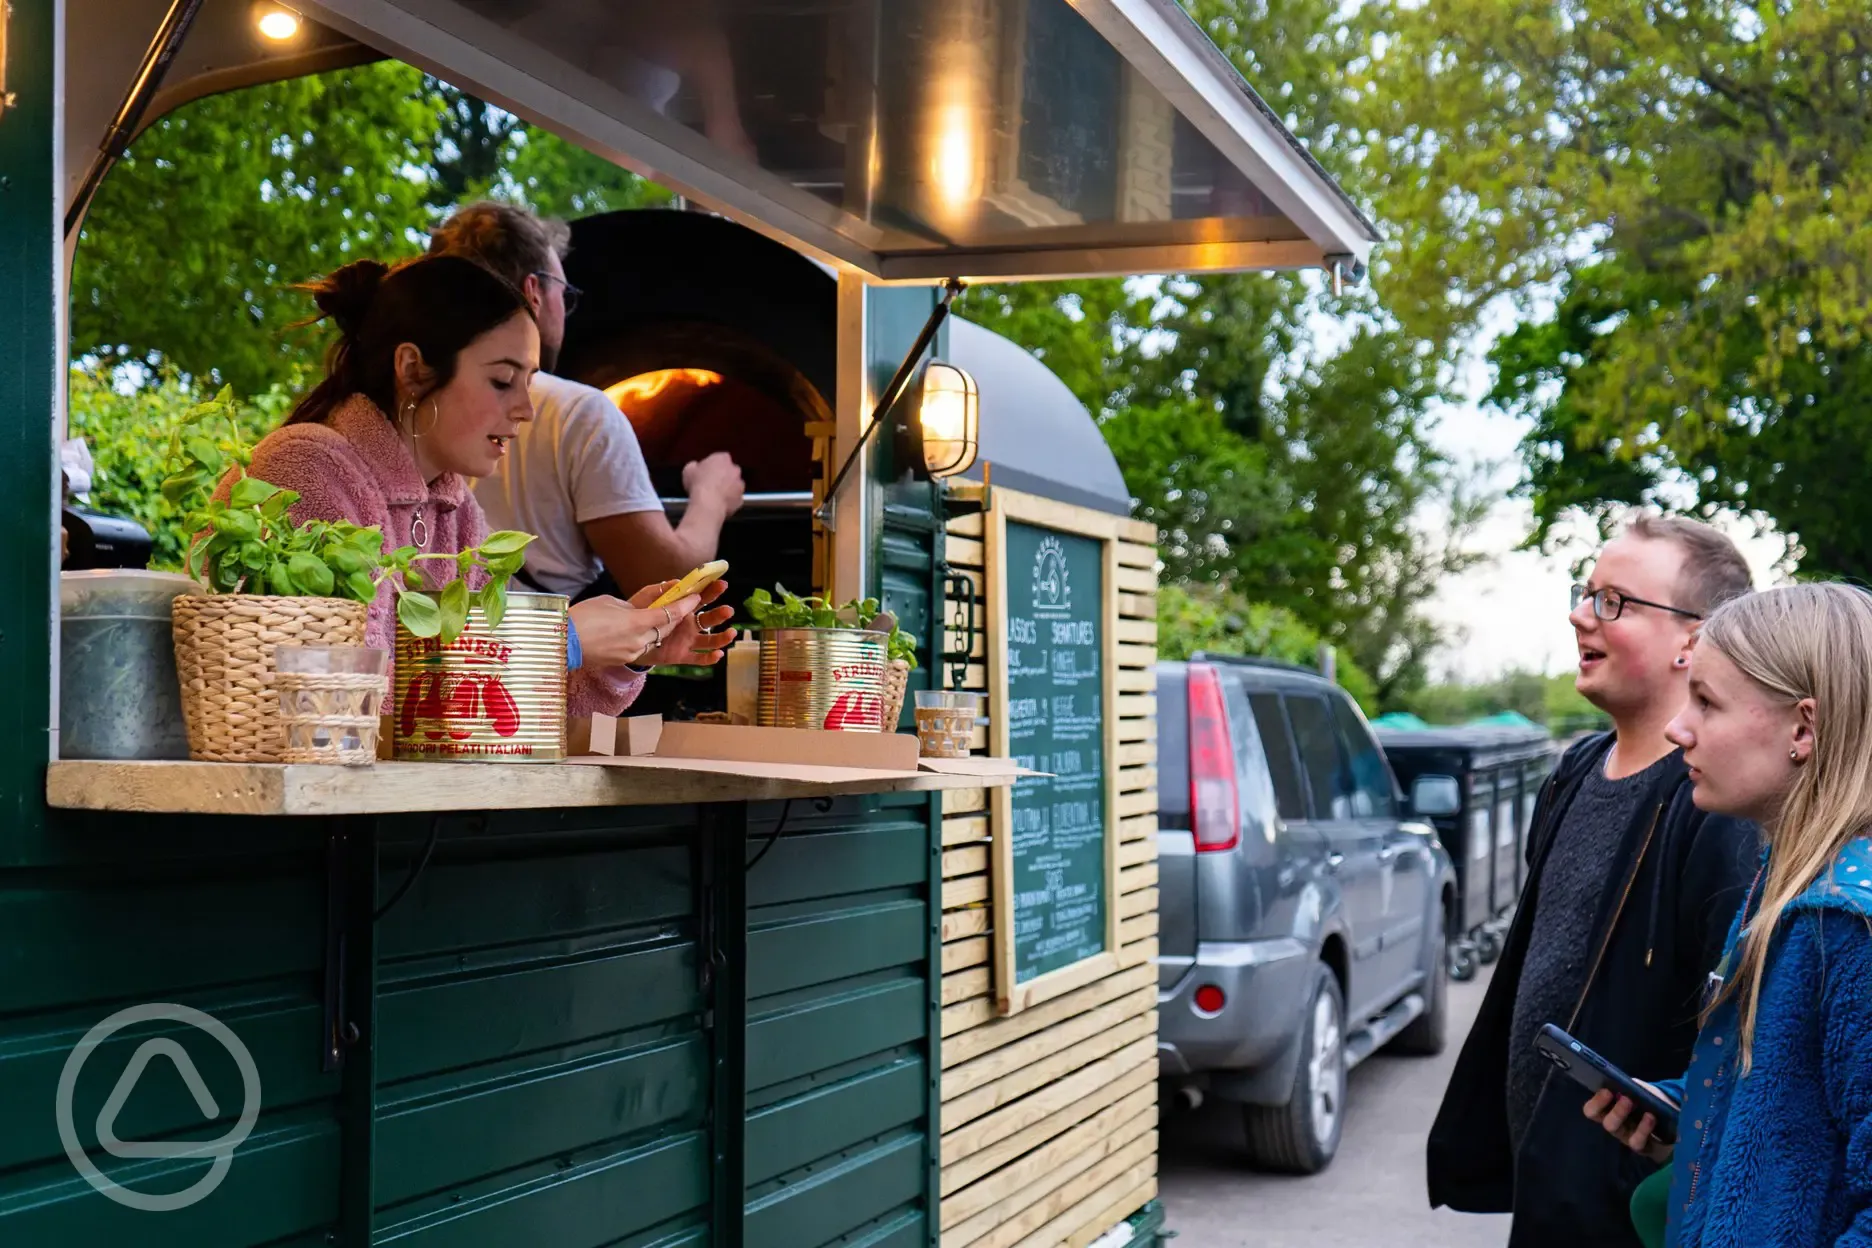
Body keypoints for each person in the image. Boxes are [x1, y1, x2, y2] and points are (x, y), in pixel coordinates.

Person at [1426, 515, 1761, 1247]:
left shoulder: (1719, 808)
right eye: (1586, 593)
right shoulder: (1575, 769)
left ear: (1693, 640)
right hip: (1544, 1194)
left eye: (1616, 601)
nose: (1582, 614)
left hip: (1629, 1216)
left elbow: (1741, 1036)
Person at [229, 253, 734, 714]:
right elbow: (347, 699)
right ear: (412, 368)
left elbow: (508, 715)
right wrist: (561, 641)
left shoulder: (456, 510)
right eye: (501, 380)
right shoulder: (306, 467)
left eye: (529, 381)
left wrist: (626, 652)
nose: (525, 409)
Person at [1587, 583, 1872, 1247]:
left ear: (1804, 727)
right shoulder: (1785, 888)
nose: (1676, 728)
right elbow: (1791, 1120)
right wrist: (1685, 1115)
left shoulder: (1847, 931)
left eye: (1707, 702)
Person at [427, 201, 746, 599]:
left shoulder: (420, 400)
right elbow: (667, 585)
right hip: (542, 652)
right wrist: (711, 496)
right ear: (534, 291)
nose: (520, 409)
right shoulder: (578, 413)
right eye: (566, 293)